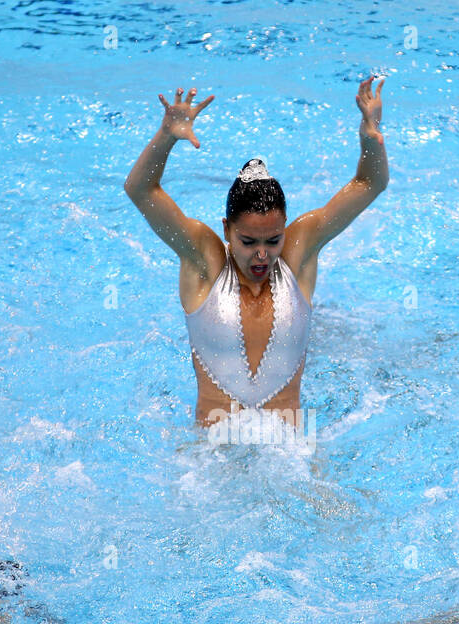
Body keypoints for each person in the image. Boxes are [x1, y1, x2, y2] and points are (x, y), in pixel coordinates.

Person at [124, 78, 389, 427]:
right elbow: (140, 190)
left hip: (289, 453)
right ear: (226, 230)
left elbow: (370, 184)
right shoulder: (204, 261)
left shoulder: (298, 253)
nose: (262, 255)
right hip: (210, 458)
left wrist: (370, 136)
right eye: (248, 242)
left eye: (273, 240)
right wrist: (166, 137)